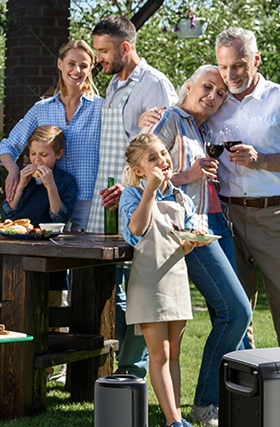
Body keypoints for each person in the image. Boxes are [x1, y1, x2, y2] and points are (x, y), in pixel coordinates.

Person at [139, 65, 252, 427]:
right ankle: (206, 404)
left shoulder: (203, 129)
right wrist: (187, 175)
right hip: (185, 233)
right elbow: (142, 167)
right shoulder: (171, 118)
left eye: (220, 93)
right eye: (207, 87)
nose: (213, 96)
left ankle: (233, 398)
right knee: (236, 311)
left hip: (210, 226)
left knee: (231, 313)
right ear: (188, 87)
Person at [208, 27, 280, 347]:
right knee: (233, 312)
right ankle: (241, 377)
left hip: (273, 216)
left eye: (238, 65)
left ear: (256, 60)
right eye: (223, 66)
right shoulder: (215, 101)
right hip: (226, 217)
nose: (230, 75)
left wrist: (263, 161)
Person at [90, 14, 178, 380]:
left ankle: (133, 370)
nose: (98, 58)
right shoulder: (113, 84)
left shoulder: (154, 84)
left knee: (141, 288)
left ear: (125, 47)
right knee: (115, 285)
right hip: (112, 196)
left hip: (141, 200)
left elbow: (163, 150)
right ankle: (116, 365)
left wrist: (134, 188)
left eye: (103, 51)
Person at [120, 133, 207, 427]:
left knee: (175, 353)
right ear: (139, 170)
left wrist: (192, 242)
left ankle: (178, 418)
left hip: (176, 278)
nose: (162, 160)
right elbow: (136, 230)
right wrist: (150, 191)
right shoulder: (132, 195)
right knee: (159, 354)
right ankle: (172, 422)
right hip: (149, 282)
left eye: (162, 153)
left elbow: (183, 242)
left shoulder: (181, 198)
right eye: (152, 158)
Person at [0, 40, 102, 231]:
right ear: (60, 64)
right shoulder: (41, 109)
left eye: (83, 65)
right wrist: (13, 171)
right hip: (49, 207)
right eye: (71, 64)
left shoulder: (102, 108)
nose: (77, 70)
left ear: (90, 69)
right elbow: (8, 146)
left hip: (89, 204)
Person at [0, 125, 78, 226]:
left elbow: (60, 219)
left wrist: (51, 187)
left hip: (47, 233)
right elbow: (6, 214)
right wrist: (20, 186)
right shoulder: (20, 175)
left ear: (59, 154)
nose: (37, 160)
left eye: (43, 155)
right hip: (19, 230)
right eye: (33, 153)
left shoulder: (66, 181)